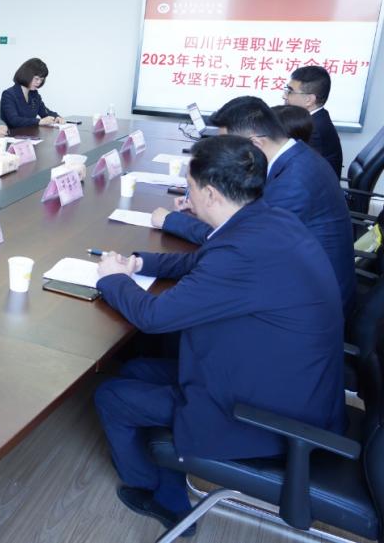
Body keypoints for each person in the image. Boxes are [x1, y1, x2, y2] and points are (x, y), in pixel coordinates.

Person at [94, 135, 345, 535]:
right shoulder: (266, 219)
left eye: (190, 188)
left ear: (210, 193)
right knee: (137, 368)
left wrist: (112, 280)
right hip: (286, 381)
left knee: (110, 395)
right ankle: (168, 477)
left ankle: (155, 493)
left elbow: (154, 317)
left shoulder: (242, 252)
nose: (186, 197)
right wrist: (139, 263)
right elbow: (203, 261)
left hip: (270, 416)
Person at [151, 96, 354, 312]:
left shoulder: (293, 183)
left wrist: (172, 220)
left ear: (256, 144)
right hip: (298, 280)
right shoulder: (296, 156)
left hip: (308, 303)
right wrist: (205, 203)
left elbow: (237, 236)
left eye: (226, 147)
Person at [285, 65, 342, 177]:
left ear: (309, 100)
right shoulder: (317, 118)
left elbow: (303, 173)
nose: (284, 96)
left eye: (290, 91)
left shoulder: (314, 130)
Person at [0, 58, 65, 129]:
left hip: (30, 134)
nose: (39, 82)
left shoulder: (34, 94)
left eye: (41, 79)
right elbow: (14, 120)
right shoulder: (8, 94)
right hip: (13, 134)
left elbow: (45, 112)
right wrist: (39, 121)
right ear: (26, 75)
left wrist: (57, 117)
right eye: (36, 79)